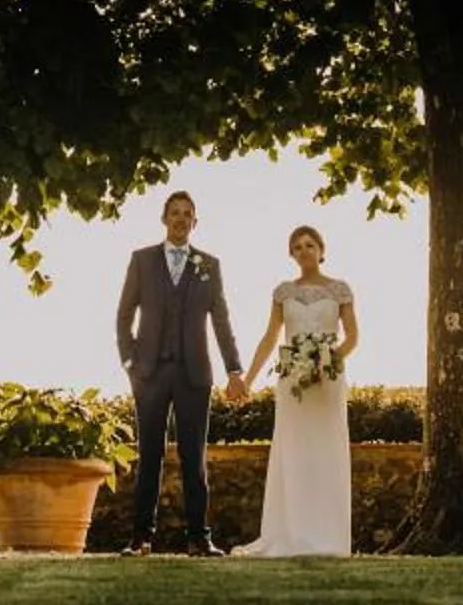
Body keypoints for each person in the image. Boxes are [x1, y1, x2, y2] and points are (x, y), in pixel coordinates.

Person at [114, 189, 246, 555]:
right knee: (149, 454)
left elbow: (221, 320)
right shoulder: (141, 260)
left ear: (195, 221)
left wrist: (234, 368)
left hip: (194, 374)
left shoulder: (209, 265)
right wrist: (129, 362)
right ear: (164, 218)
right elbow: (124, 315)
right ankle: (141, 537)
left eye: (188, 213)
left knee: (194, 456)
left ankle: (199, 537)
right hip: (150, 373)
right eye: (175, 212)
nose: (181, 219)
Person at [236, 223, 360, 557]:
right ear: (292, 254)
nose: (304, 251)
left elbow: (352, 336)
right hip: (292, 384)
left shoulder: (340, 290)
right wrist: (247, 380)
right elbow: (270, 337)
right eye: (297, 247)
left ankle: (329, 539)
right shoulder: (283, 292)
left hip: (328, 384)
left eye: (310, 245)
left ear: (321, 249)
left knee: (326, 454)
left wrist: (327, 361)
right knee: (294, 454)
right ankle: (290, 534)